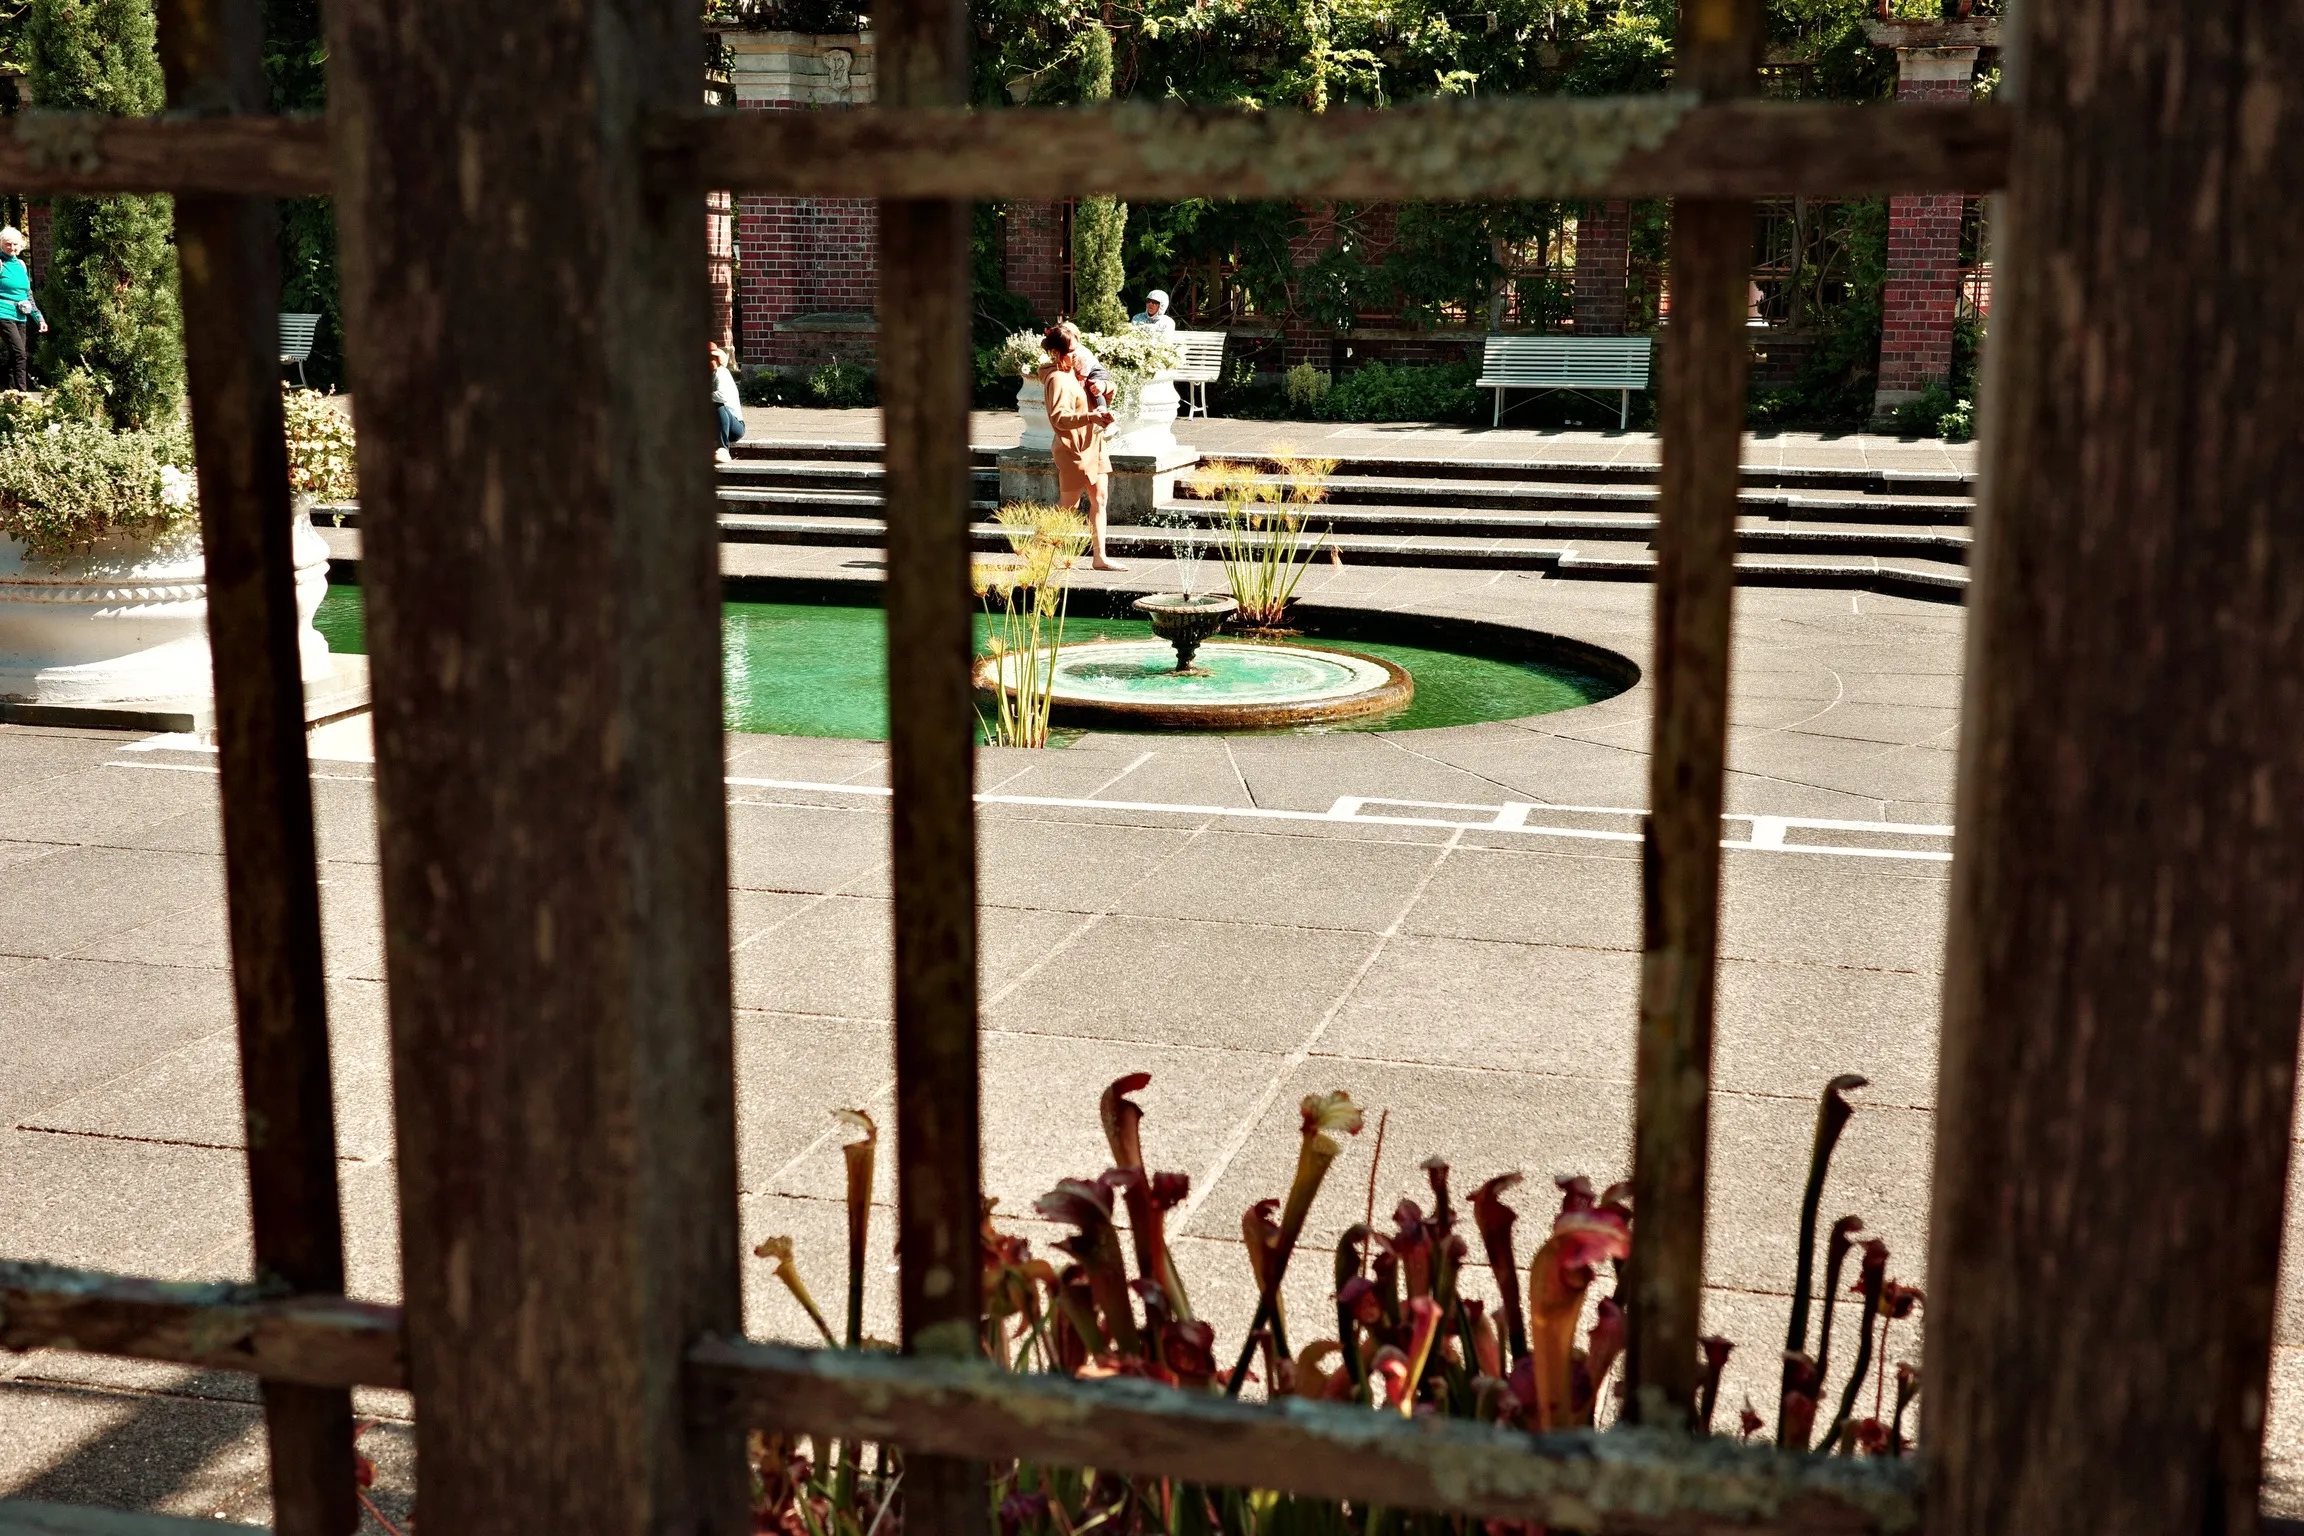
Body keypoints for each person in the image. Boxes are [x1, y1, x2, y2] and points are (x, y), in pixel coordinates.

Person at [1039, 327, 1124, 571]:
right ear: (1057, 353)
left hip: (1094, 443)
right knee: (1069, 504)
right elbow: (1059, 417)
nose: (1079, 355)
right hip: (1072, 448)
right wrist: (1090, 417)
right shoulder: (1057, 378)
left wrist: (1104, 387)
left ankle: (1100, 558)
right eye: (1073, 351)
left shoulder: (1077, 371)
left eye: (1078, 348)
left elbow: (1106, 388)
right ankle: (1037, 547)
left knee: (1100, 498)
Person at [0, 227, 45, 395]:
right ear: (1, 245)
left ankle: (11, 397)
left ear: (20, 245)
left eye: (15, 244)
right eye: (8, 244)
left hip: (21, 314)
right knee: (20, 353)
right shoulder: (0, 263)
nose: (12, 248)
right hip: (3, 313)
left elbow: (28, 294)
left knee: (16, 355)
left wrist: (39, 318)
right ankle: (22, 394)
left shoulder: (20, 265)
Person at [711, 342, 745, 463]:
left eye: (712, 358)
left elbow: (721, 396)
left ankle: (723, 448)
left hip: (734, 426)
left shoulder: (721, 373)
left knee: (718, 405)